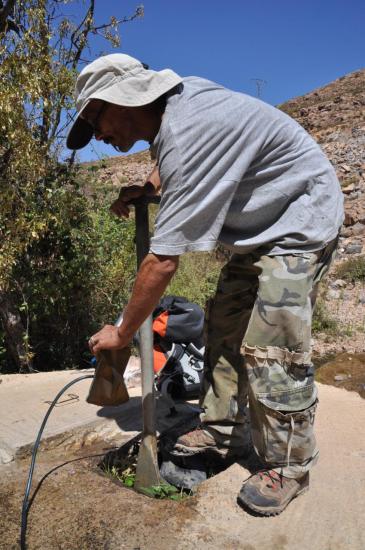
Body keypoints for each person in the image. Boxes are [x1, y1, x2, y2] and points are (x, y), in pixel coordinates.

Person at [67, 53, 344, 516]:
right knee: (223, 328)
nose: (97, 135)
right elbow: (175, 161)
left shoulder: (189, 128)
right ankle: (223, 431)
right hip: (258, 232)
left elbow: (162, 261)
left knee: (272, 343)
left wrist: (120, 332)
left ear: (122, 99)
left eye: (95, 119)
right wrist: (151, 189)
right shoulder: (172, 109)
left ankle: (290, 467)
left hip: (299, 221)